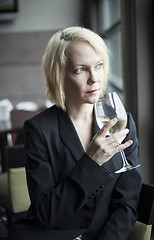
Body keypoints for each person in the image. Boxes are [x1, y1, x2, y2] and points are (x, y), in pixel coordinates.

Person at [10, 26, 142, 240]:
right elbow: (46, 214)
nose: (94, 79)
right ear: (60, 76)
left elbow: (127, 203)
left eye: (98, 66)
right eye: (80, 69)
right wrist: (91, 163)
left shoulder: (123, 123)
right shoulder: (39, 130)